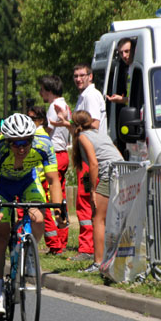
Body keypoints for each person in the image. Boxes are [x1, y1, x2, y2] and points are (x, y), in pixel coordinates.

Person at [0, 113, 65, 318]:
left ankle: (27, 251)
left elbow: (54, 180)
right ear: (7, 141)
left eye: (26, 142)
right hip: (2, 186)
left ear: (33, 138)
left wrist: (59, 211)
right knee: (0, 236)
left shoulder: (43, 144)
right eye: (15, 143)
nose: (21, 148)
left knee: (39, 218)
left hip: (28, 181)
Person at [70, 110, 124, 273]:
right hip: (122, 171)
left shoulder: (82, 137)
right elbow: (117, 154)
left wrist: (93, 190)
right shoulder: (100, 134)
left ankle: (98, 263)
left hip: (110, 174)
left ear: (74, 125)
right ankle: (112, 259)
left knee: (98, 219)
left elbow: (93, 164)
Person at [68, 63, 106, 261]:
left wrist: (73, 125)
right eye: (75, 76)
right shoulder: (84, 96)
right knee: (84, 201)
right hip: (85, 153)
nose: (78, 79)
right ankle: (88, 246)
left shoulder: (90, 95)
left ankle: (87, 248)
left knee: (86, 201)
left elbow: (93, 124)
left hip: (91, 154)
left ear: (90, 77)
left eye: (82, 75)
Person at [38, 75, 71, 255]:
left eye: (42, 89)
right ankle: (62, 239)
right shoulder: (65, 104)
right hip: (64, 154)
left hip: (53, 155)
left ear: (49, 90)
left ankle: (54, 244)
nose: (40, 93)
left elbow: (47, 131)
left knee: (47, 198)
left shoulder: (53, 106)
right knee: (61, 198)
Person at [105, 37, 134, 107]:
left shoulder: (138, 70)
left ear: (134, 50)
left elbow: (140, 98)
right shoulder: (126, 69)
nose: (124, 55)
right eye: (121, 53)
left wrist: (122, 99)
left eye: (127, 51)